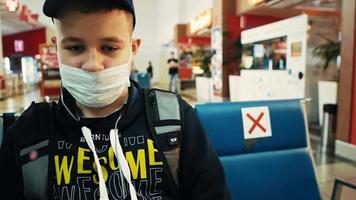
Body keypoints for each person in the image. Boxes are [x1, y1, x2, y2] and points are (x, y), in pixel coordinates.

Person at [0, 0, 230, 200]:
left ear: (132, 49)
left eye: (109, 48)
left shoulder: (175, 120)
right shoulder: (28, 134)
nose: (92, 64)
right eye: (75, 47)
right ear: (56, 49)